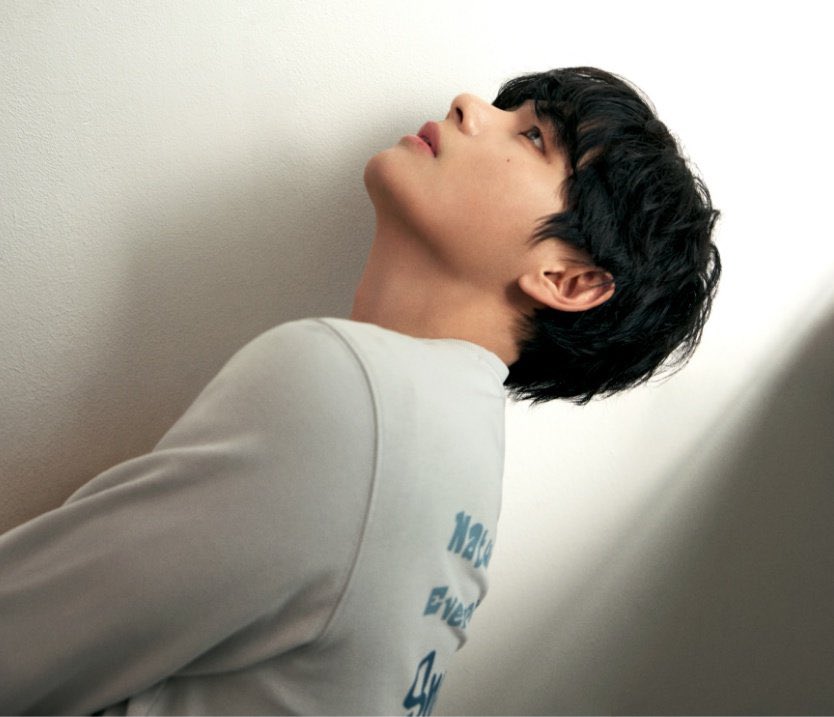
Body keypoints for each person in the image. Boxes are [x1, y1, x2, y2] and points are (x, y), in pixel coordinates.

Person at [0, 67, 719, 716]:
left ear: (569, 280)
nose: (467, 105)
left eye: (533, 136)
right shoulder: (463, 459)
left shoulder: (349, 390)